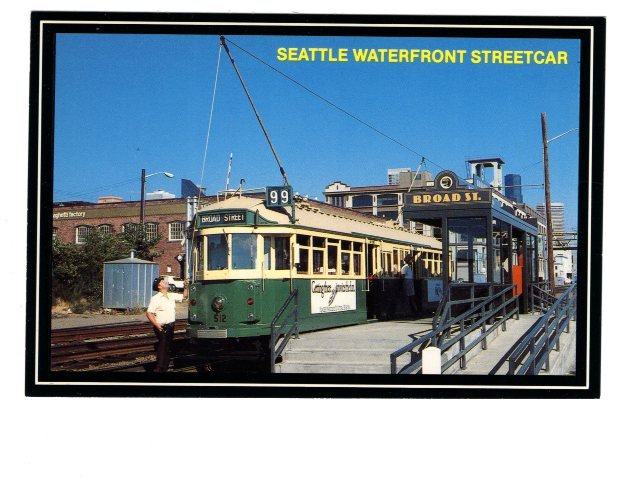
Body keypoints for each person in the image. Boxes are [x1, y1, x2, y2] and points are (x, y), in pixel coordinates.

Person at [146, 276, 189, 372]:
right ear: (159, 286)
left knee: (168, 347)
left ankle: (164, 368)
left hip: (170, 326)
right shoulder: (155, 298)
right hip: (161, 326)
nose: (165, 282)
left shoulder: (171, 295)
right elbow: (149, 313)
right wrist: (157, 325)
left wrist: (185, 287)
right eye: (163, 282)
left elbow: (184, 296)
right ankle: (158, 368)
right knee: (163, 345)